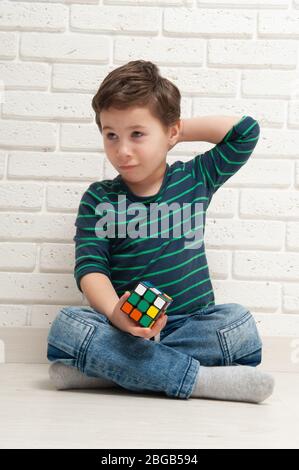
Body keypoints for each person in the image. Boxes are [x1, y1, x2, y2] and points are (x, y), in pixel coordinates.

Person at [47, 60, 274, 403]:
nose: (122, 150)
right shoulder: (100, 197)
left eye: (137, 133)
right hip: (122, 328)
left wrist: (173, 128)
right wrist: (115, 315)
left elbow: (246, 131)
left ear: (171, 133)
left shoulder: (195, 178)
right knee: (69, 325)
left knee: (238, 323)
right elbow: (90, 268)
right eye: (111, 135)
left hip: (191, 325)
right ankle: (200, 380)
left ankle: (109, 372)